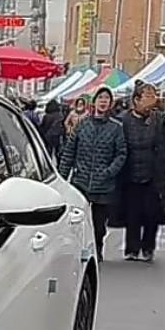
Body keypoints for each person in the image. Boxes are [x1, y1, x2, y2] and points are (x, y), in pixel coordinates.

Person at [57, 87, 127, 262]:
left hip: (104, 184)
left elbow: (121, 154)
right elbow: (69, 152)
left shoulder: (116, 128)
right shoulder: (83, 125)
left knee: (99, 223)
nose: (103, 101)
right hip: (80, 181)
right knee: (77, 220)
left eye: (106, 99)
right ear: (94, 102)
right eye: (100, 98)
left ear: (110, 104)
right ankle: (77, 249)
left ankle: (97, 249)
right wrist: (61, 178)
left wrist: (109, 171)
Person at [118, 81, 165, 262]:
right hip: (130, 174)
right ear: (136, 100)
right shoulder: (123, 120)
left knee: (153, 212)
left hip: (154, 174)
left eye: (154, 95)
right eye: (148, 96)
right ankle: (132, 248)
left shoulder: (160, 120)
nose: (153, 99)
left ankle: (148, 247)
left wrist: (164, 163)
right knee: (132, 213)